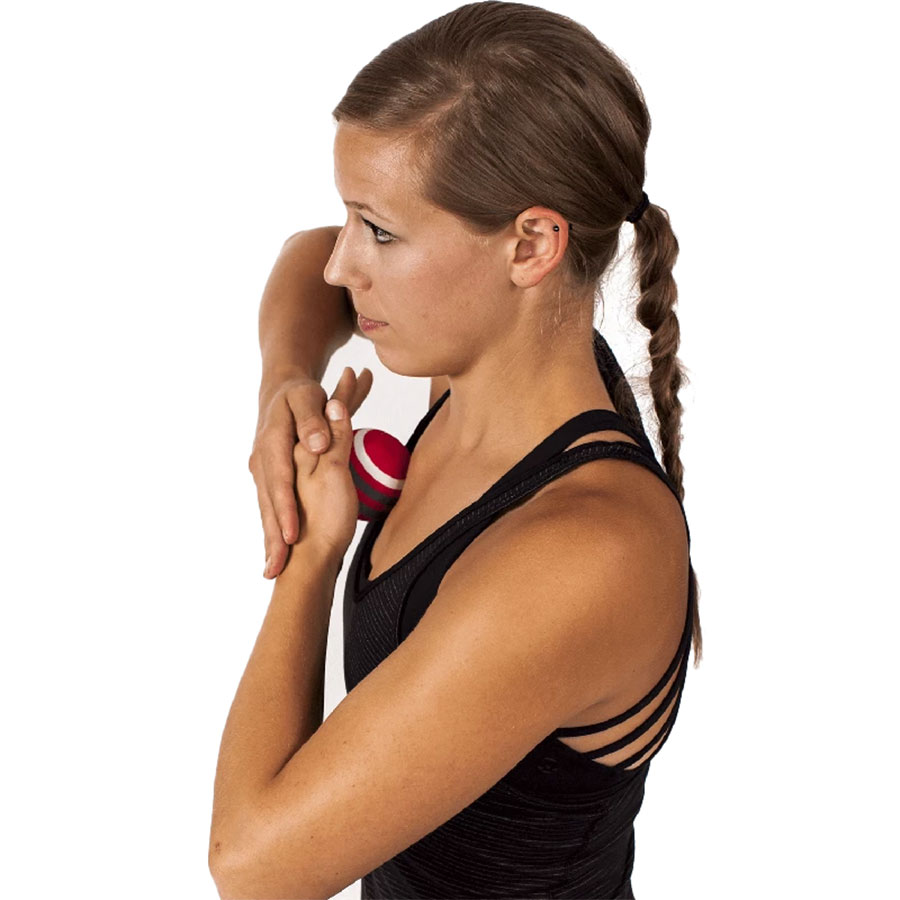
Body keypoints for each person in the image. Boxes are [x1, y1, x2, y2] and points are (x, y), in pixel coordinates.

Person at [211, 3, 702, 897]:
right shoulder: (487, 365)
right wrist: (283, 381)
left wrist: (311, 555)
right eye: (351, 216)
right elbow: (304, 258)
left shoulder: (584, 555)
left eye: (380, 231)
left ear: (531, 245)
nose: (343, 265)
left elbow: (253, 867)